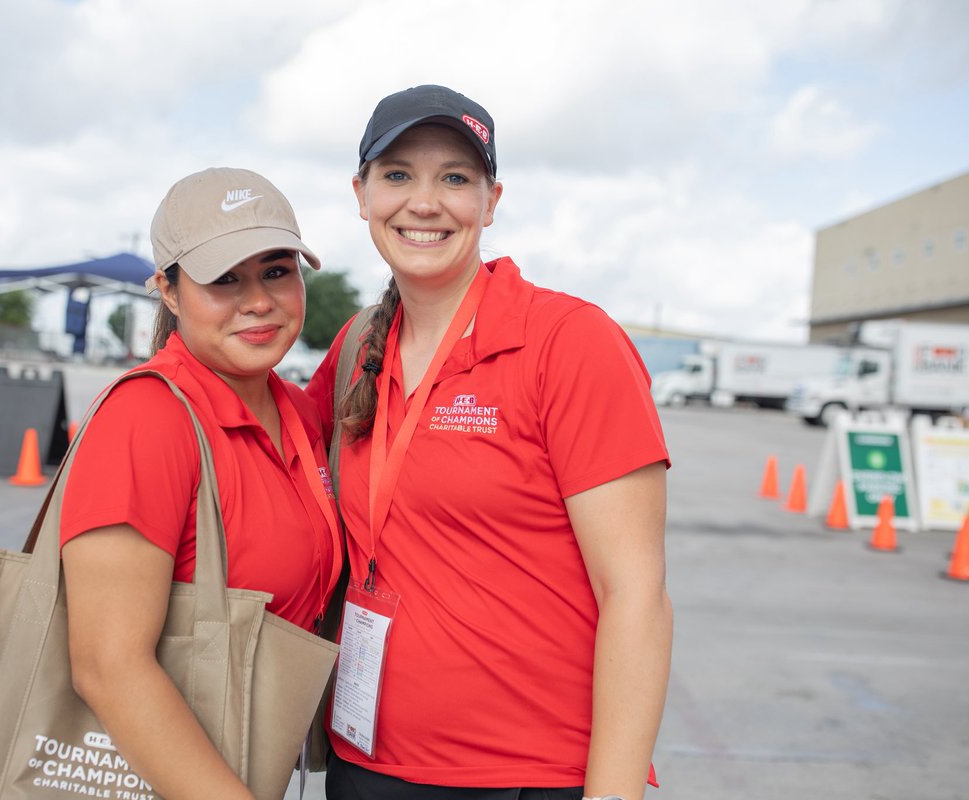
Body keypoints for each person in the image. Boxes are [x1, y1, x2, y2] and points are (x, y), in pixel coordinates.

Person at [305, 85, 672, 800]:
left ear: (492, 201)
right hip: (364, 767)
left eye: (455, 178)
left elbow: (637, 595)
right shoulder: (356, 349)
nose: (425, 201)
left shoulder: (568, 342)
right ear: (362, 193)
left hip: (527, 778)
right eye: (399, 174)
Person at [59, 168, 344, 799]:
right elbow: (107, 666)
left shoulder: (296, 412)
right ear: (167, 290)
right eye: (223, 279)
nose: (259, 301)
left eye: (276, 270)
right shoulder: (147, 417)